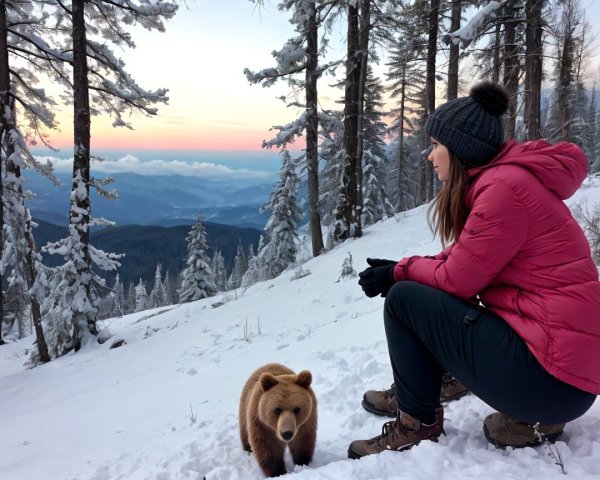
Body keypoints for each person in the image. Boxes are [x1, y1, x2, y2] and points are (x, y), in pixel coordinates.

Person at [347, 81, 600, 459]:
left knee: (404, 300)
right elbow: (465, 258)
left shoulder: (503, 191)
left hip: (550, 381)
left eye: (436, 146)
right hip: (563, 377)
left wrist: (399, 275)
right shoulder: (508, 183)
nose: (430, 156)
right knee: (420, 291)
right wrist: (401, 266)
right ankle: (439, 382)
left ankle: (417, 421)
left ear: (460, 148)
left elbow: (458, 279)